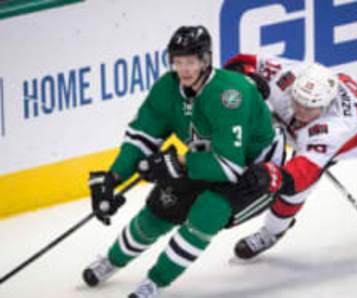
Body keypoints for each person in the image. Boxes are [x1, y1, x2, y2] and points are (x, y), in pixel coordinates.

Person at [82, 26, 286, 298]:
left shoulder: (229, 95)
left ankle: (155, 282)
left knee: (207, 211)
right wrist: (113, 177)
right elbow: (141, 137)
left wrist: (177, 162)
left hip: (253, 167)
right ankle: (112, 260)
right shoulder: (168, 89)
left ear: (205, 60)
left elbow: (229, 166)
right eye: (178, 62)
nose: (184, 69)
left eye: (190, 62)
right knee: (159, 208)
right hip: (206, 157)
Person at [223, 53, 357, 259]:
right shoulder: (291, 76)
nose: (300, 113)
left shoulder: (334, 129)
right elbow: (240, 63)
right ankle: (272, 231)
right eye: (297, 102)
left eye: (310, 108)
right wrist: (249, 78)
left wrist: (273, 177)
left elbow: (299, 176)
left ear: (327, 105)